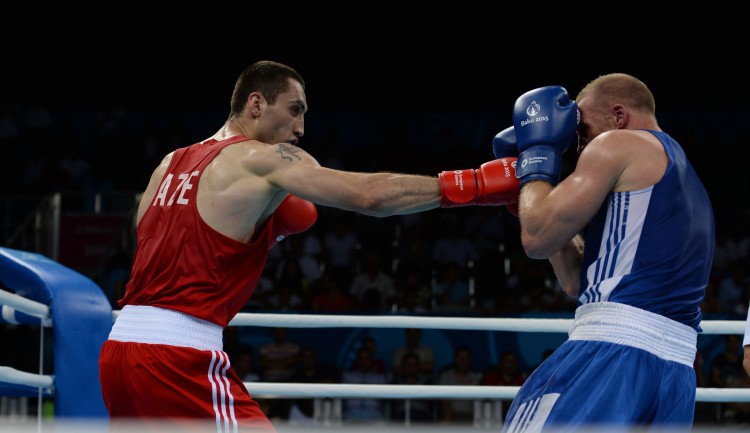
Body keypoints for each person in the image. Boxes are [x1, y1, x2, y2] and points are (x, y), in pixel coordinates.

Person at [97, 59, 521, 431]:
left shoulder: (168, 163)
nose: (301, 128)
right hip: (177, 355)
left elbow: (163, 248)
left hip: (118, 350)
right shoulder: (261, 158)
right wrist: (476, 185)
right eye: (294, 110)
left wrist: (262, 227)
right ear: (256, 103)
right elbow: (368, 195)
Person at [496, 74, 715, 432]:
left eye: (582, 130)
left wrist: (536, 160)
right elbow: (573, 280)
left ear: (618, 116)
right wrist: (529, 200)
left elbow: (535, 237)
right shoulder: (688, 184)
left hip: (611, 350)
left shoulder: (618, 144)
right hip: (675, 374)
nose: (580, 146)